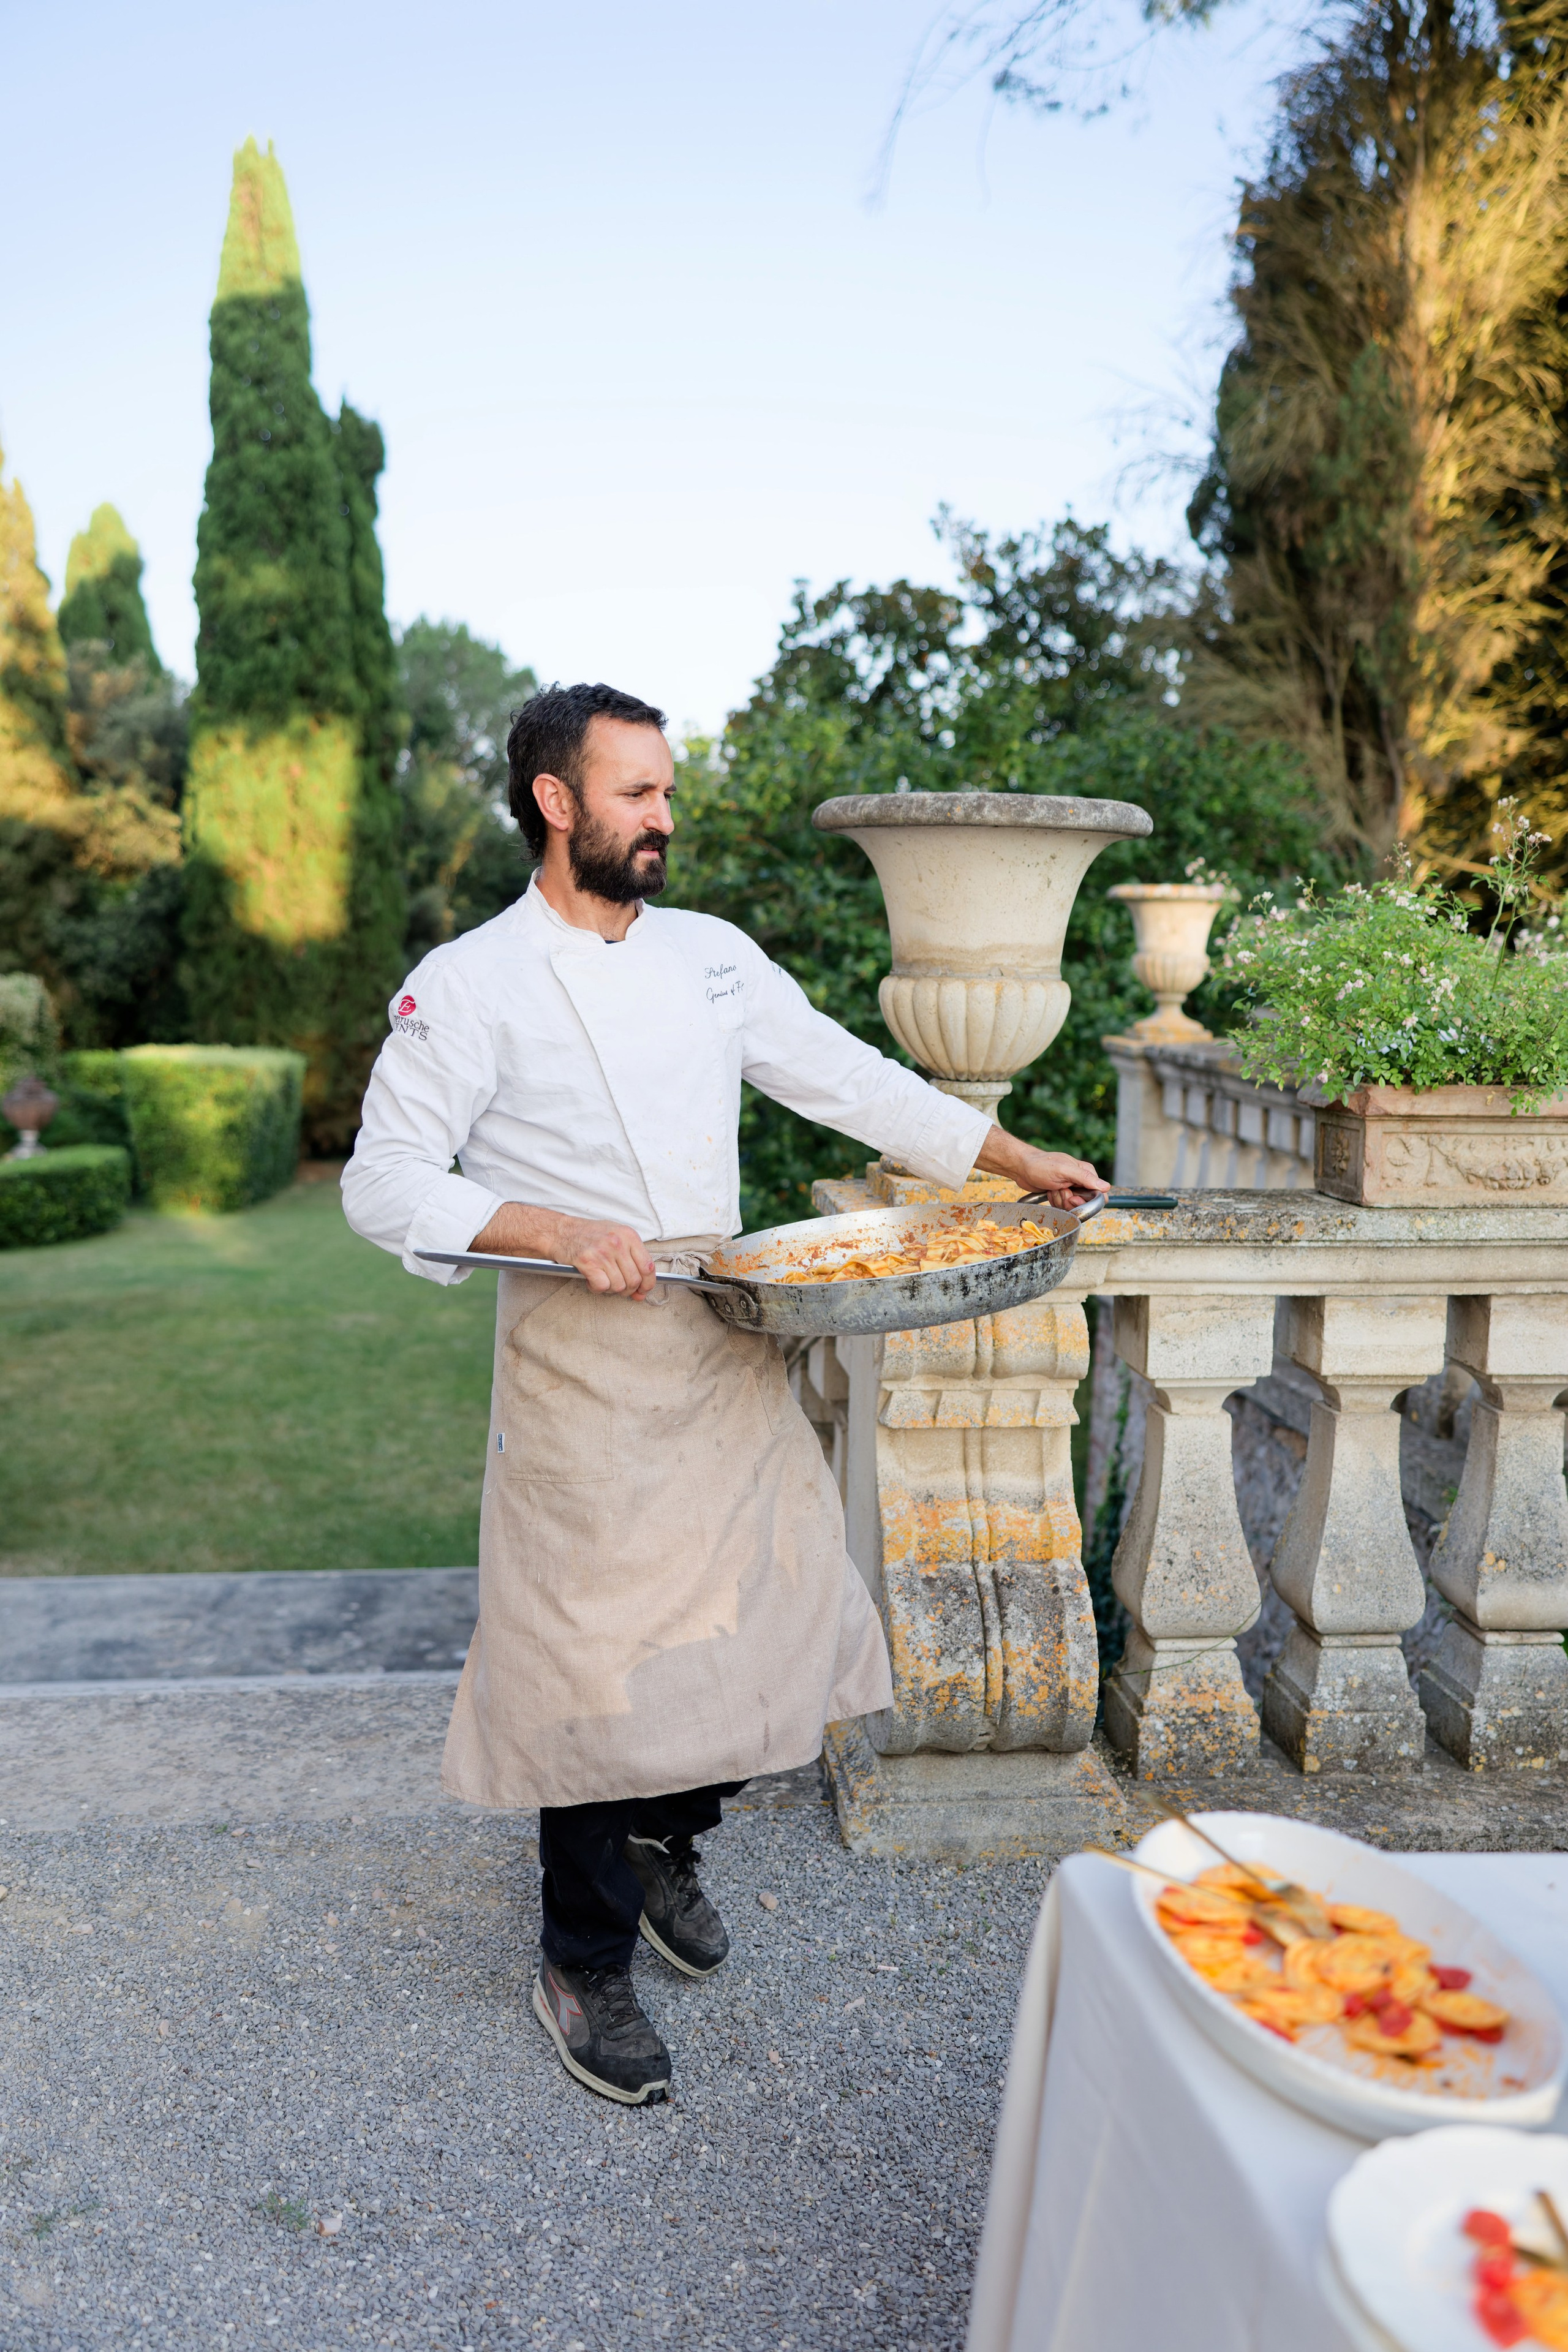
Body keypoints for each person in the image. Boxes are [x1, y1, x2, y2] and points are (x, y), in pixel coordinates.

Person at [342, 681, 1107, 2106]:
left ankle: (662, 1845)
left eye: (665, 791)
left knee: (762, 1621)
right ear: (554, 801)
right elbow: (382, 1179)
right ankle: (583, 1960)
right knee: (587, 1671)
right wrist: (559, 1230)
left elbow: (848, 1079)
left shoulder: (709, 956)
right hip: (578, 1350)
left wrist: (1010, 1160)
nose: (662, 818)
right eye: (634, 793)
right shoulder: (469, 981)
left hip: (722, 1328)